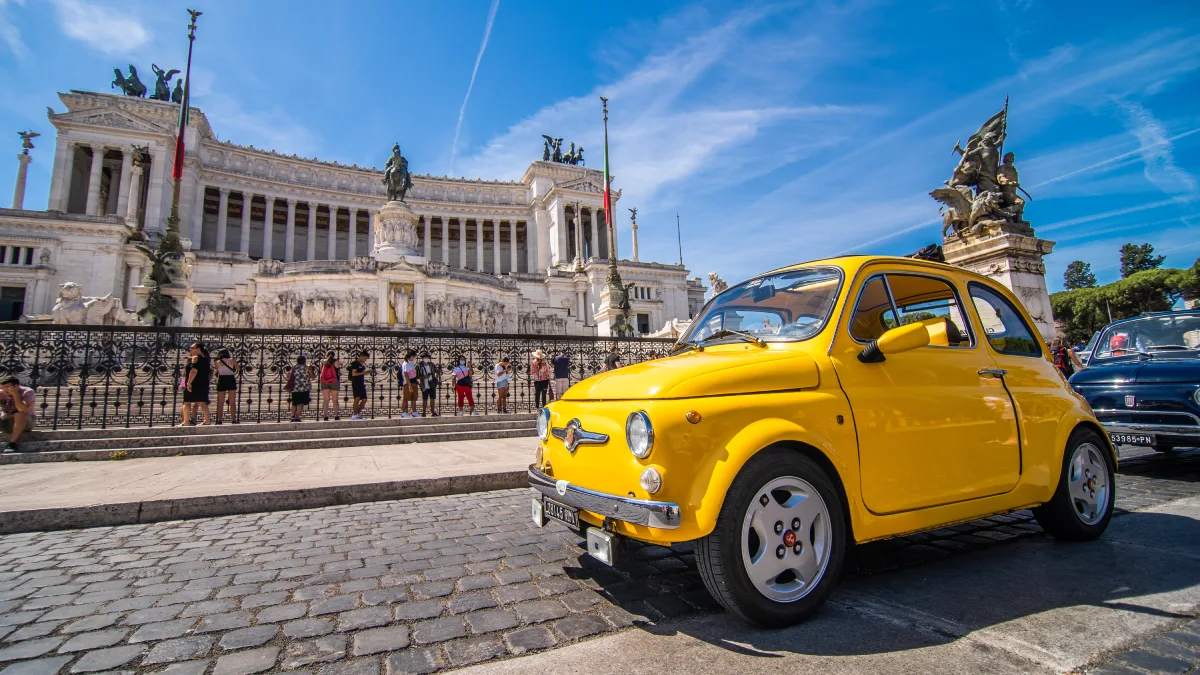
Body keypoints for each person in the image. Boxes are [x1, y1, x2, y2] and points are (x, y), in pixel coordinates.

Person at [0, 375, 37, 453]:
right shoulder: (2, 393)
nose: (5, 390)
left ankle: (12, 443)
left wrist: (15, 394)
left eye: (7, 387)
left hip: (26, 422)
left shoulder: (27, 392)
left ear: (16, 386)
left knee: (20, 414)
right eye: (3, 387)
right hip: (7, 421)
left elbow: (22, 409)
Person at [181, 342, 212, 426]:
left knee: (187, 402)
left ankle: (186, 421)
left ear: (198, 349)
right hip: (202, 383)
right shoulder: (205, 359)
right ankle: (207, 420)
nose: (190, 349)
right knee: (202, 402)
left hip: (194, 383)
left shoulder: (195, 358)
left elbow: (193, 371)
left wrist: (189, 383)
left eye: (192, 348)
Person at [213, 348, 240, 425]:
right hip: (230, 379)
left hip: (222, 379)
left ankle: (219, 420)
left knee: (220, 402)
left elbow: (218, 371)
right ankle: (233, 419)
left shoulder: (217, 362)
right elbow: (238, 368)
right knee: (232, 401)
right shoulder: (231, 360)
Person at [285, 355, 314, 422]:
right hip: (304, 388)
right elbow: (312, 377)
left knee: (294, 403)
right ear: (304, 361)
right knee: (301, 404)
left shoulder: (294, 368)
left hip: (295, 388)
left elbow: (288, 376)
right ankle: (297, 417)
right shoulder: (307, 368)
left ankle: (292, 416)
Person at [319, 351, 342, 421]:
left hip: (324, 382)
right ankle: (336, 416)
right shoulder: (336, 361)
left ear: (326, 355)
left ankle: (325, 416)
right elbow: (338, 368)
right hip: (334, 382)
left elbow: (321, 371)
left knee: (326, 400)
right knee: (335, 400)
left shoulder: (322, 361)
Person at [348, 351, 369, 420]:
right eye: (365, 358)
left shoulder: (361, 364)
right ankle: (355, 414)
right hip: (356, 383)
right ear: (361, 356)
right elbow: (353, 374)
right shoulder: (355, 363)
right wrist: (364, 373)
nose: (365, 360)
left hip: (361, 383)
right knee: (357, 398)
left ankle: (358, 414)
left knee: (364, 399)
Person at [417, 352, 439, 417]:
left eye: (427, 357)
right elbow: (417, 376)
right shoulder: (419, 366)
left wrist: (437, 375)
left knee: (432, 399)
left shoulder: (432, 365)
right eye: (425, 357)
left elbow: (437, 371)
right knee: (425, 399)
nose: (426, 359)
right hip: (424, 385)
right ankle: (423, 412)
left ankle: (432, 412)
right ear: (422, 358)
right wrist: (424, 377)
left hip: (432, 384)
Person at [401, 350, 420, 418]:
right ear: (411, 356)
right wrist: (409, 385)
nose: (414, 358)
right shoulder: (406, 364)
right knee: (406, 398)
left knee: (413, 398)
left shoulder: (411, 363)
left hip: (414, 382)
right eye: (413, 356)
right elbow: (406, 375)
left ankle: (414, 412)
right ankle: (403, 412)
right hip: (408, 383)